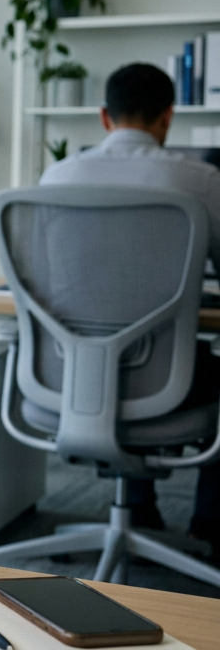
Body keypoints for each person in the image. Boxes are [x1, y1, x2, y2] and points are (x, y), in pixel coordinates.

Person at [40, 62, 220, 557]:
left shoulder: (56, 176)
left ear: (103, 116)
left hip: (66, 375)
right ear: (168, 117)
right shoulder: (200, 180)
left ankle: (137, 510)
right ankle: (210, 525)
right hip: (169, 383)